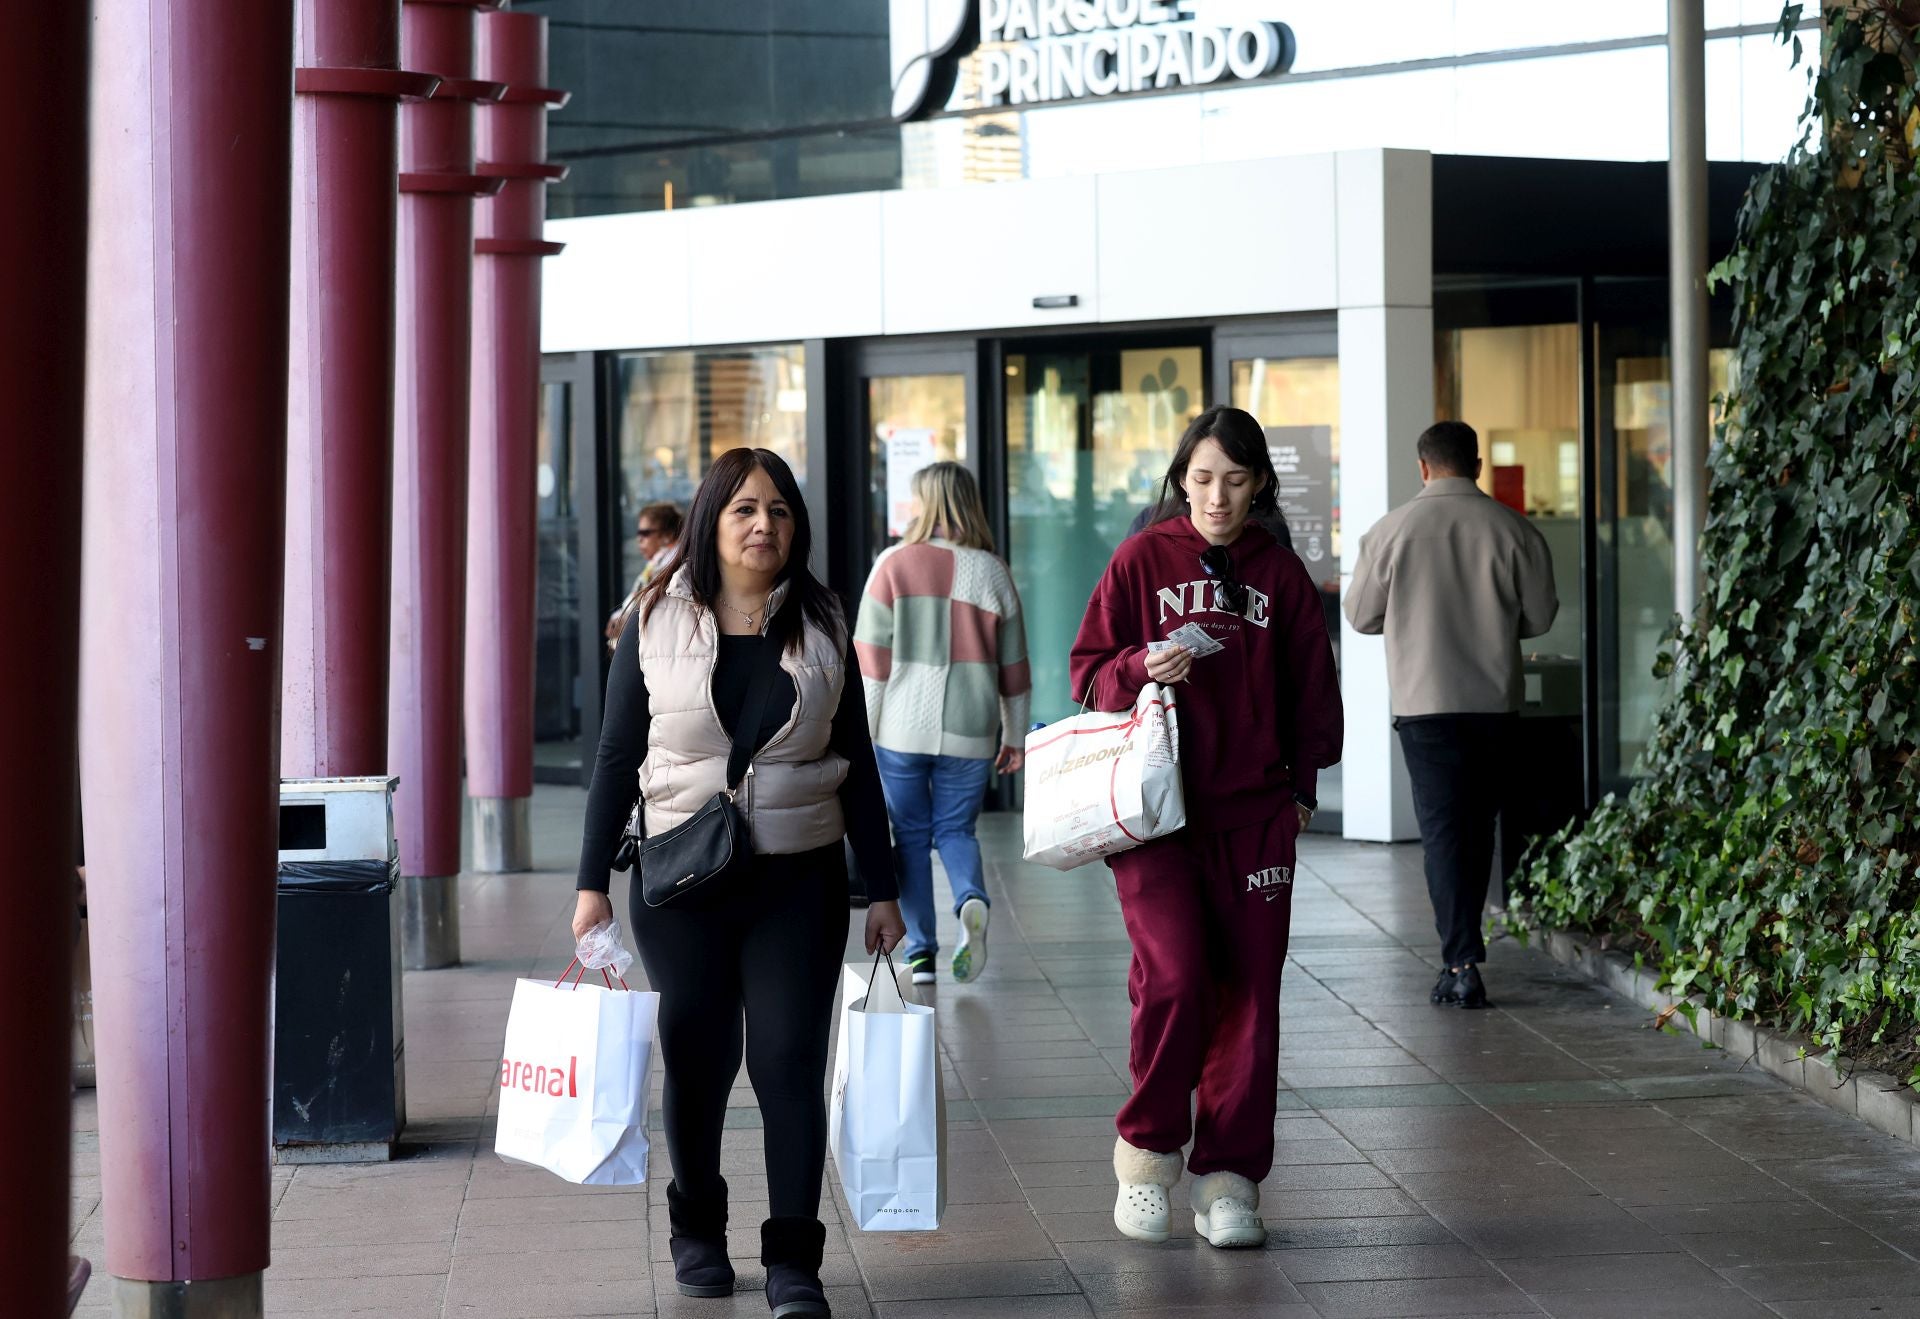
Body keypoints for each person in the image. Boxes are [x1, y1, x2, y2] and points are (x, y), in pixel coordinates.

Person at [573, 449, 904, 1317]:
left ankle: (795, 1257)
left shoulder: (824, 620)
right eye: (746, 509)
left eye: (780, 510)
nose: (765, 525)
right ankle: (697, 1228)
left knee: (789, 1059)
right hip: (681, 879)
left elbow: (857, 759)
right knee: (697, 1054)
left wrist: (884, 886)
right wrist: (589, 882)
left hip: (799, 879)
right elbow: (616, 753)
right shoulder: (655, 618)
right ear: (711, 521)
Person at [1069, 405, 1342, 1250]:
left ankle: (1229, 1180)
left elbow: (1313, 689)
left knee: (1252, 996)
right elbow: (1087, 674)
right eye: (1202, 479)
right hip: (1156, 814)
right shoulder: (1140, 559)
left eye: (1235, 479)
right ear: (1180, 480)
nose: (1217, 496)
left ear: (1259, 484)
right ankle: (1148, 1155)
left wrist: (1303, 790)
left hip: (1256, 813)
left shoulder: (1280, 574)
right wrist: (1137, 665)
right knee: (1177, 976)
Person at [1343, 420, 1557, 1011]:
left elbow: (1360, 616)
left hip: (1425, 706)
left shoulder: (1389, 532)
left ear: (1423, 467)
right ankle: (1463, 955)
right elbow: (1540, 618)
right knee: (1479, 829)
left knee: (1441, 832)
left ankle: (1460, 963)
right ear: (1477, 464)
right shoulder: (1514, 529)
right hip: (1494, 702)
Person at [855, 462, 1031, 987]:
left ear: (924, 502)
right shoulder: (994, 571)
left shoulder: (892, 563)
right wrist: (1014, 734)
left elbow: (871, 662)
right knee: (956, 830)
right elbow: (1015, 669)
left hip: (900, 729)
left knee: (909, 838)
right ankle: (970, 899)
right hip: (971, 729)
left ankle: (921, 955)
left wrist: (863, 733)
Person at [604, 501, 684, 650]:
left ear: (667, 535)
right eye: (638, 534)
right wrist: (619, 617)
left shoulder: (675, 568)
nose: (639, 540)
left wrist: (625, 620)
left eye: (645, 533)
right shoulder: (656, 565)